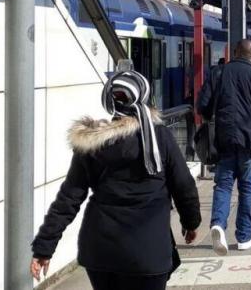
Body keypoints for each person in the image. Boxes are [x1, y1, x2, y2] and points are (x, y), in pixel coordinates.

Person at [31, 71, 201, 290]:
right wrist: (191, 223)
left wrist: (44, 247)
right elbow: (184, 186)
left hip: (101, 252)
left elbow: (69, 198)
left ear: (109, 102)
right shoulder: (159, 137)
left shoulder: (92, 142)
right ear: (143, 96)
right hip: (148, 251)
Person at [197, 39, 251, 256]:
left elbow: (202, 106)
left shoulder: (218, 73)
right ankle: (244, 237)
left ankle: (217, 224)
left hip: (224, 140)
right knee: (246, 190)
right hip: (250, 143)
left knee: (223, 186)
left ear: (234, 52)